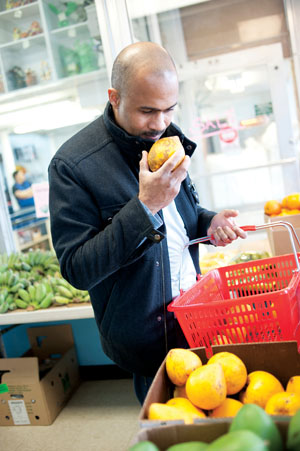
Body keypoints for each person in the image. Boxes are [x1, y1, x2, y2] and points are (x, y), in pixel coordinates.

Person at [48, 41, 247, 405]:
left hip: (196, 315)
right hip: (148, 337)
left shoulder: (166, 136)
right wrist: (144, 206)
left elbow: (178, 218)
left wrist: (208, 221)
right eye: (146, 111)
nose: (159, 124)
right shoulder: (73, 166)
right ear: (115, 97)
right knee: (169, 430)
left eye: (169, 109)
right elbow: (77, 268)